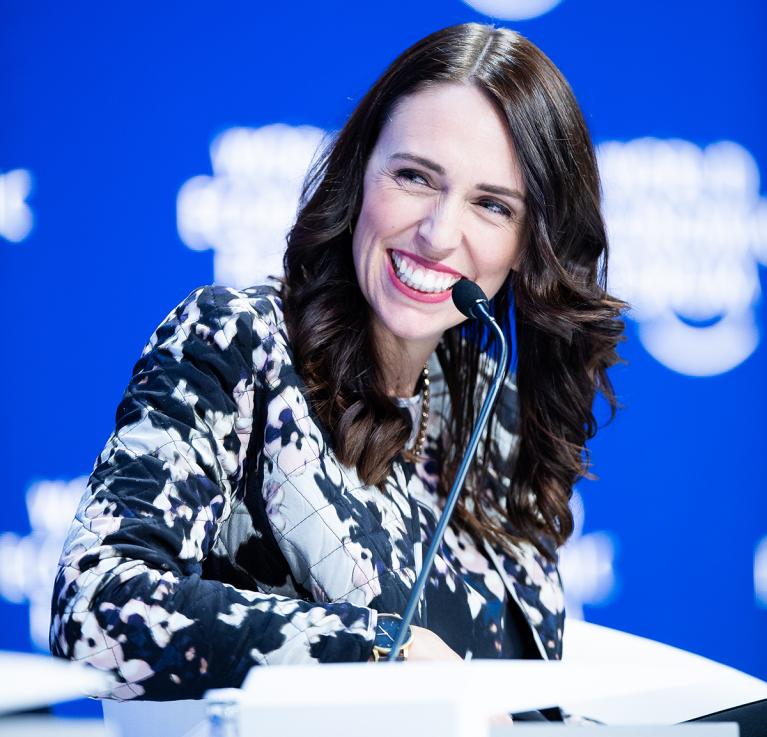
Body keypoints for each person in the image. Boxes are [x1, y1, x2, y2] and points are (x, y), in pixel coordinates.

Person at [49, 22, 625, 714]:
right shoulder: (240, 343)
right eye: (414, 176)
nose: (439, 234)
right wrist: (379, 652)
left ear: (529, 245)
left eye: (490, 205)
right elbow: (95, 604)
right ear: (360, 174)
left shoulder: (492, 413)